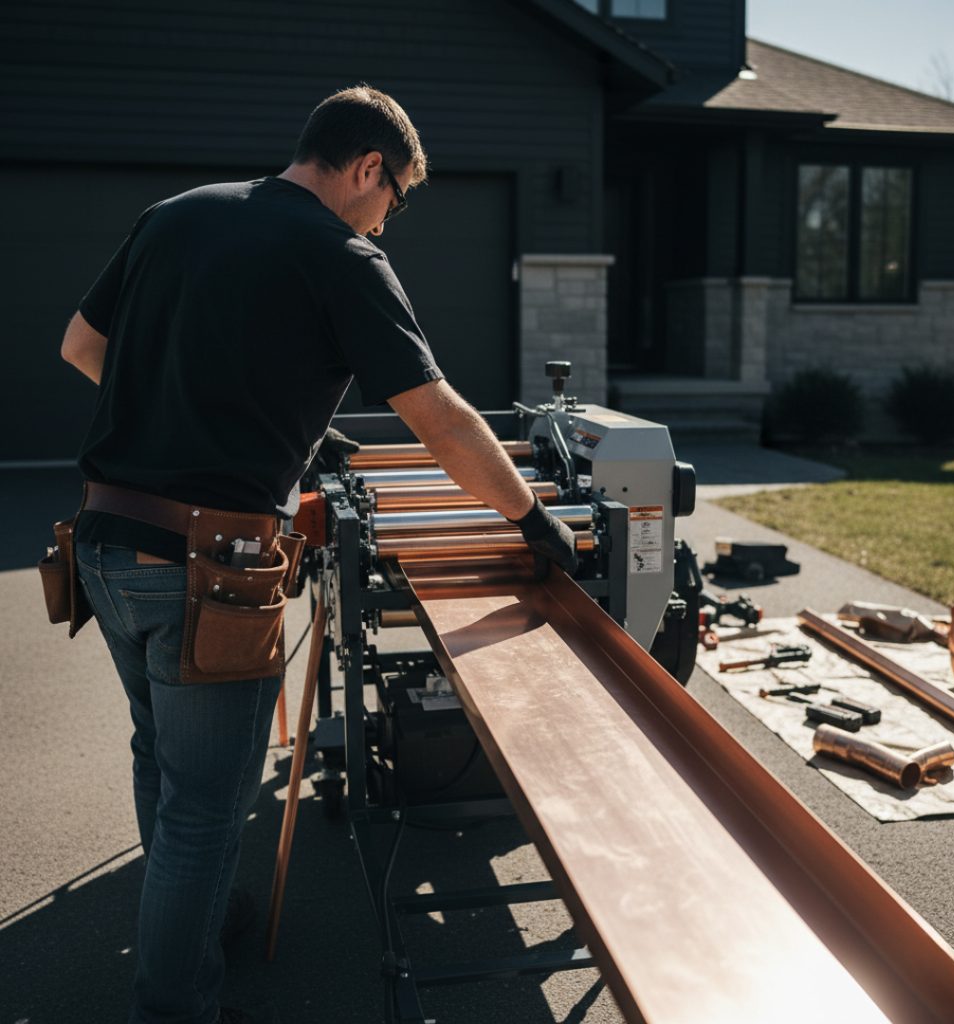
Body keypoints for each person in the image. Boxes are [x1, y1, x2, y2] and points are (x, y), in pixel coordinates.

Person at [60, 84, 576, 1024]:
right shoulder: (343, 255)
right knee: (205, 808)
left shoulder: (176, 215)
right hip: (209, 571)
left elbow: (80, 346)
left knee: (160, 758)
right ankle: (174, 1003)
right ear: (369, 167)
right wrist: (529, 515)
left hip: (103, 544)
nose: (388, 220)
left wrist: (213, 425)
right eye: (396, 199)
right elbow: (439, 420)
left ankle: (194, 920)